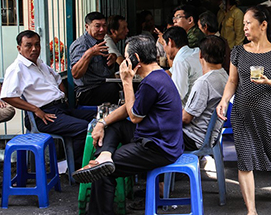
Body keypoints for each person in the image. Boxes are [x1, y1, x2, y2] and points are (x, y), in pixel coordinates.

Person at [72, 35, 183, 215]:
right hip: (156, 138)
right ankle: (104, 155)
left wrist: (126, 81)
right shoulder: (158, 75)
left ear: (135, 59)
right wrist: (102, 122)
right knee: (115, 126)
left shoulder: (152, 83)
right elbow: (128, 108)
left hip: (158, 147)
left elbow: (134, 116)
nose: (123, 61)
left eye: (125, 57)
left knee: (103, 172)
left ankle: (102, 169)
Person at [216, 5, 271, 214]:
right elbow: (232, 81)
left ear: (263, 25)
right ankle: (251, 210)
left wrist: (268, 81)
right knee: (245, 162)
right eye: (243, 23)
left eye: (248, 23)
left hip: (269, 113)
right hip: (243, 113)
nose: (244, 27)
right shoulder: (238, 51)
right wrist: (225, 100)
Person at [1, 30, 95, 167]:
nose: (34, 49)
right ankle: (77, 168)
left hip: (61, 108)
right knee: (84, 128)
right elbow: (8, 96)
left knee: (99, 116)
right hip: (44, 115)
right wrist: (35, 109)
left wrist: (63, 97)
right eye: (28, 45)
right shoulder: (17, 69)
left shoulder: (40, 63)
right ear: (19, 48)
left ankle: (95, 160)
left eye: (37, 45)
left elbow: (58, 80)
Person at [183, 36, 228, 150]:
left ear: (200, 55)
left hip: (193, 138)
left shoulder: (204, 82)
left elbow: (185, 118)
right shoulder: (225, 77)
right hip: (210, 136)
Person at [70, 12, 120, 106]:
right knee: (114, 89)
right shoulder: (81, 45)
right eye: (97, 26)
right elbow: (76, 74)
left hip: (103, 85)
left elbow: (104, 68)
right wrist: (89, 54)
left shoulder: (100, 41)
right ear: (87, 27)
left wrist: (112, 58)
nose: (102, 29)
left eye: (104, 26)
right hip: (87, 92)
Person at [160, 26, 202, 107]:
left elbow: (178, 94)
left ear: (170, 42)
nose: (164, 48)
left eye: (164, 44)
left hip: (188, 109)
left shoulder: (180, 60)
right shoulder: (196, 52)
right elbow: (171, 71)